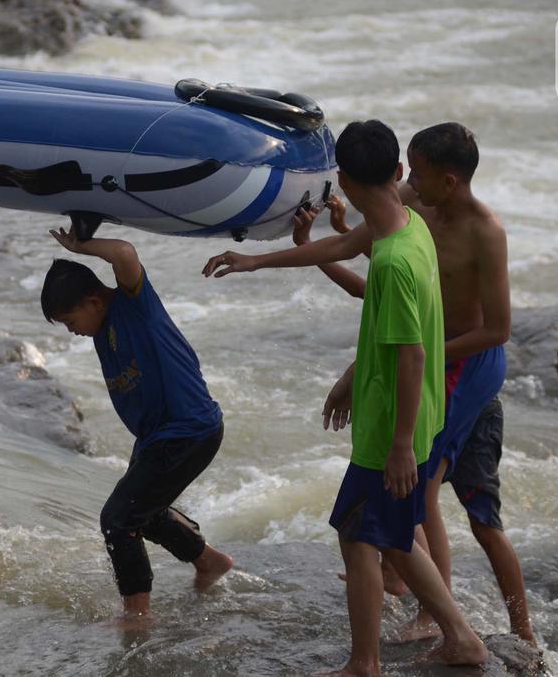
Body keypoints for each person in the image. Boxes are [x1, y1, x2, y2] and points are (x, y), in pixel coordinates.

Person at [204, 120, 487, 674]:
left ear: (344, 182)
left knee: (367, 532)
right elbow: (341, 244)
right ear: (399, 173)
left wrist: (401, 444)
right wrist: (255, 261)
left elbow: (412, 356)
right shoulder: (408, 227)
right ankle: (445, 642)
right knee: (384, 534)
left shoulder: (395, 260)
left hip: (392, 427)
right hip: (416, 411)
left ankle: (384, 658)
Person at [290, 123, 534, 645]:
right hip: (420, 352)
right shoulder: (414, 206)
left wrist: (397, 362)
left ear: (448, 180)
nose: (409, 183)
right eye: (408, 172)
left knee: (420, 488)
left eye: (417, 175)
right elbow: (376, 279)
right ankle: (405, 577)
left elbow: (496, 329)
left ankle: (473, 623)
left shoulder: (484, 231)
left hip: (465, 362)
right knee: (405, 491)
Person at [42, 229, 232, 622]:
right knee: (145, 512)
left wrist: (81, 247)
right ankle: (210, 561)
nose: (71, 330)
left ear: (94, 301)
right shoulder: (100, 328)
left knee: (117, 519)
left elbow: (125, 254)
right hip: (159, 437)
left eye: (70, 320)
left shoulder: (134, 305)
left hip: (187, 431)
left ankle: (137, 615)